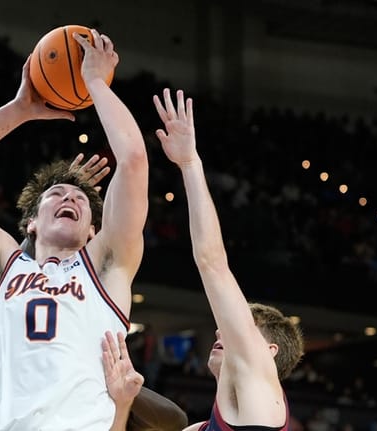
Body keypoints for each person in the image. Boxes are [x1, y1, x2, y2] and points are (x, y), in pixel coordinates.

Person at [0, 28, 148, 430]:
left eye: (80, 199)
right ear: (30, 221)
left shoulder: (106, 265)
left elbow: (133, 159)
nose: (70, 199)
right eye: (57, 194)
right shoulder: (1, 266)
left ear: (92, 232)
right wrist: (19, 109)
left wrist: (96, 83)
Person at [105, 89, 305, 430]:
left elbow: (212, 262)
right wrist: (122, 404)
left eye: (241, 325)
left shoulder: (257, 374)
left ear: (267, 351)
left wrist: (189, 163)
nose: (221, 327)